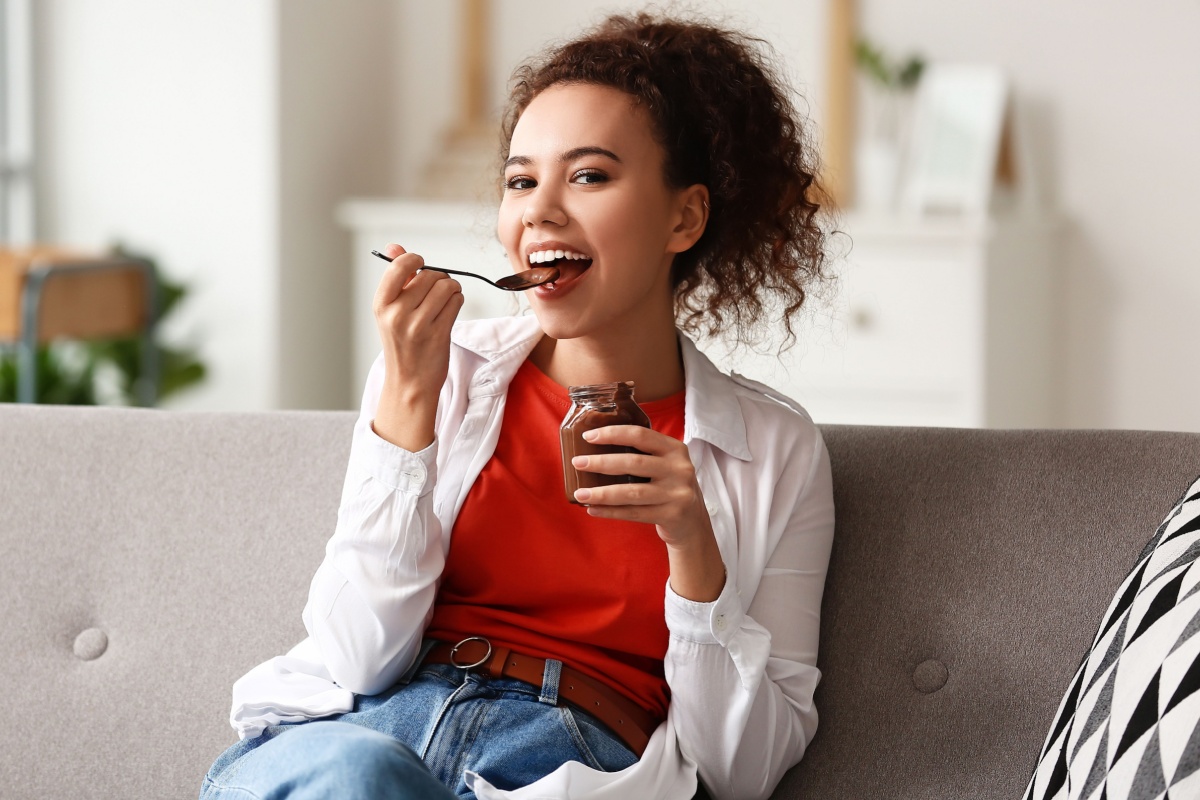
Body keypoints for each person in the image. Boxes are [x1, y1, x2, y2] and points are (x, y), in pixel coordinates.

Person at [200, 11, 835, 800]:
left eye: (590, 175)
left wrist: (692, 547)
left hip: (566, 765)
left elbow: (746, 772)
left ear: (686, 216)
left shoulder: (777, 450)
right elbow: (358, 657)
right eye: (520, 180)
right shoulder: (437, 373)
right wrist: (405, 404)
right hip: (370, 737)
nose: (539, 210)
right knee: (358, 773)